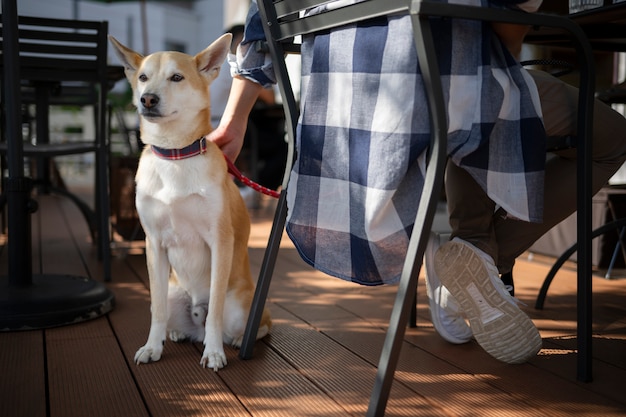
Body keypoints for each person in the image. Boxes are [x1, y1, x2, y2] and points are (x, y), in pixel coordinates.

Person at [208, 0, 626, 364]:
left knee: (475, 111)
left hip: (339, 112)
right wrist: (504, 60)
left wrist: (233, 121)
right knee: (602, 136)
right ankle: (478, 254)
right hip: (442, 92)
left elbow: (261, 27)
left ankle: (473, 254)